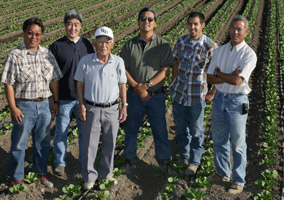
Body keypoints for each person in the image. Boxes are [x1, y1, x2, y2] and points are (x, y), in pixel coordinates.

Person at [1, 17, 63, 188]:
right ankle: (16, 177)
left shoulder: (47, 54)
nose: (33, 37)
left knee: (43, 142)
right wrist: (13, 107)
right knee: (19, 144)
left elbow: (55, 80)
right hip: (24, 106)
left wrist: (55, 101)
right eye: (30, 33)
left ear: (41, 36)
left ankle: (41, 172)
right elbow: (8, 84)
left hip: (44, 105)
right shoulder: (15, 55)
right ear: (24, 33)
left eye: (37, 34)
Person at [207, 15, 257, 194]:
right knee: (219, 139)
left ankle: (238, 180)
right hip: (219, 97)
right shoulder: (219, 51)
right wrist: (225, 76)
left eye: (239, 29)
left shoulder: (249, 54)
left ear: (246, 31)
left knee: (237, 143)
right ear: (229, 29)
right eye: (233, 28)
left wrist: (221, 75)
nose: (235, 32)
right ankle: (222, 173)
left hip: (237, 101)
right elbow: (209, 76)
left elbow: (237, 81)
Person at [120, 7, 173, 171]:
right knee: (130, 128)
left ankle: (164, 160)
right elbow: (124, 70)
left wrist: (147, 86)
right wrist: (136, 87)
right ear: (138, 22)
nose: (146, 22)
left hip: (155, 95)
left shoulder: (163, 45)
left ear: (155, 23)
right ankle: (129, 158)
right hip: (134, 95)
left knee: (160, 129)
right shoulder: (129, 45)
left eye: (150, 19)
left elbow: (165, 70)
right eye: (143, 18)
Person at [74, 26, 127, 190]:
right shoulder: (85, 61)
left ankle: (106, 175)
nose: (103, 45)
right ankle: (89, 176)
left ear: (112, 44)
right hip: (91, 108)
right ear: (94, 43)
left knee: (110, 143)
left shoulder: (118, 61)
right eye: (100, 41)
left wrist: (124, 105)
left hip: (112, 108)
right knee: (89, 144)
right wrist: (81, 104)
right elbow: (80, 85)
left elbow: (122, 85)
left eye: (107, 42)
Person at [169, 12, 217, 176]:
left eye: (196, 24)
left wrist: (213, 92)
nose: (192, 27)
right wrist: (173, 82)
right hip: (179, 94)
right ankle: (184, 156)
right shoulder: (181, 41)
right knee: (181, 130)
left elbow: (219, 71)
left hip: (197, 97)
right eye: (190, 24)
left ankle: (194, 161)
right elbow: (175, 61)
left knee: (196, 132)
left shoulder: (210, 46)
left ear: (203, 25)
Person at [49, 10, 94, 176]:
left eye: (76, 24)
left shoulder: (88, 45)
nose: (72, 27)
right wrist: (53, 99)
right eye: (69, 24)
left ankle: (84, 162)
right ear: (65, 26)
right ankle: (60, 162)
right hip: (64, 98)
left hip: (84, 98)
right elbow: (50, 74)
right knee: (61, 131)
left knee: (84, 132)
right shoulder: (56, 46)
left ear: (81, 26)